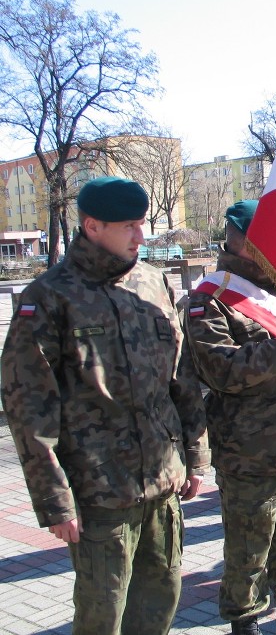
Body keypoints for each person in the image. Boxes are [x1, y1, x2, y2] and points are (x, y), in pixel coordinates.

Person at [0, 176, 210, 635]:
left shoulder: (153, 283)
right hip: (100, 494)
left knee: (160, 603)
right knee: (102, 616)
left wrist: (195, 456)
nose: (141, 236)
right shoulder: (51, 296)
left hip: (163, 483)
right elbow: (27, 405)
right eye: (130, 226)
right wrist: (55, 500)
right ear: (93, 226)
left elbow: (182, 378)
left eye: (143, 224)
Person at [184, 200, 276, 635]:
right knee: (248, 557)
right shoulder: (209, 298)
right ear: (243, 239)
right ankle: (246, 627)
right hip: (250, 456)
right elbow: (224, 371)